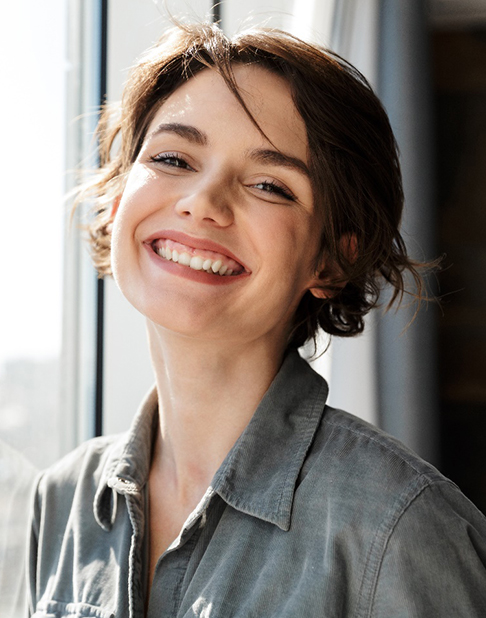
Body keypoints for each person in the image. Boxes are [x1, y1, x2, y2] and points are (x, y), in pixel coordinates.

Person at [27, 22, 486, 617]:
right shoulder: (61, 500)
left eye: (270, 185)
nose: (203, 202)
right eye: (172, 157)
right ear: (117, 205)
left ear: (331, 260)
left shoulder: (400, 529)